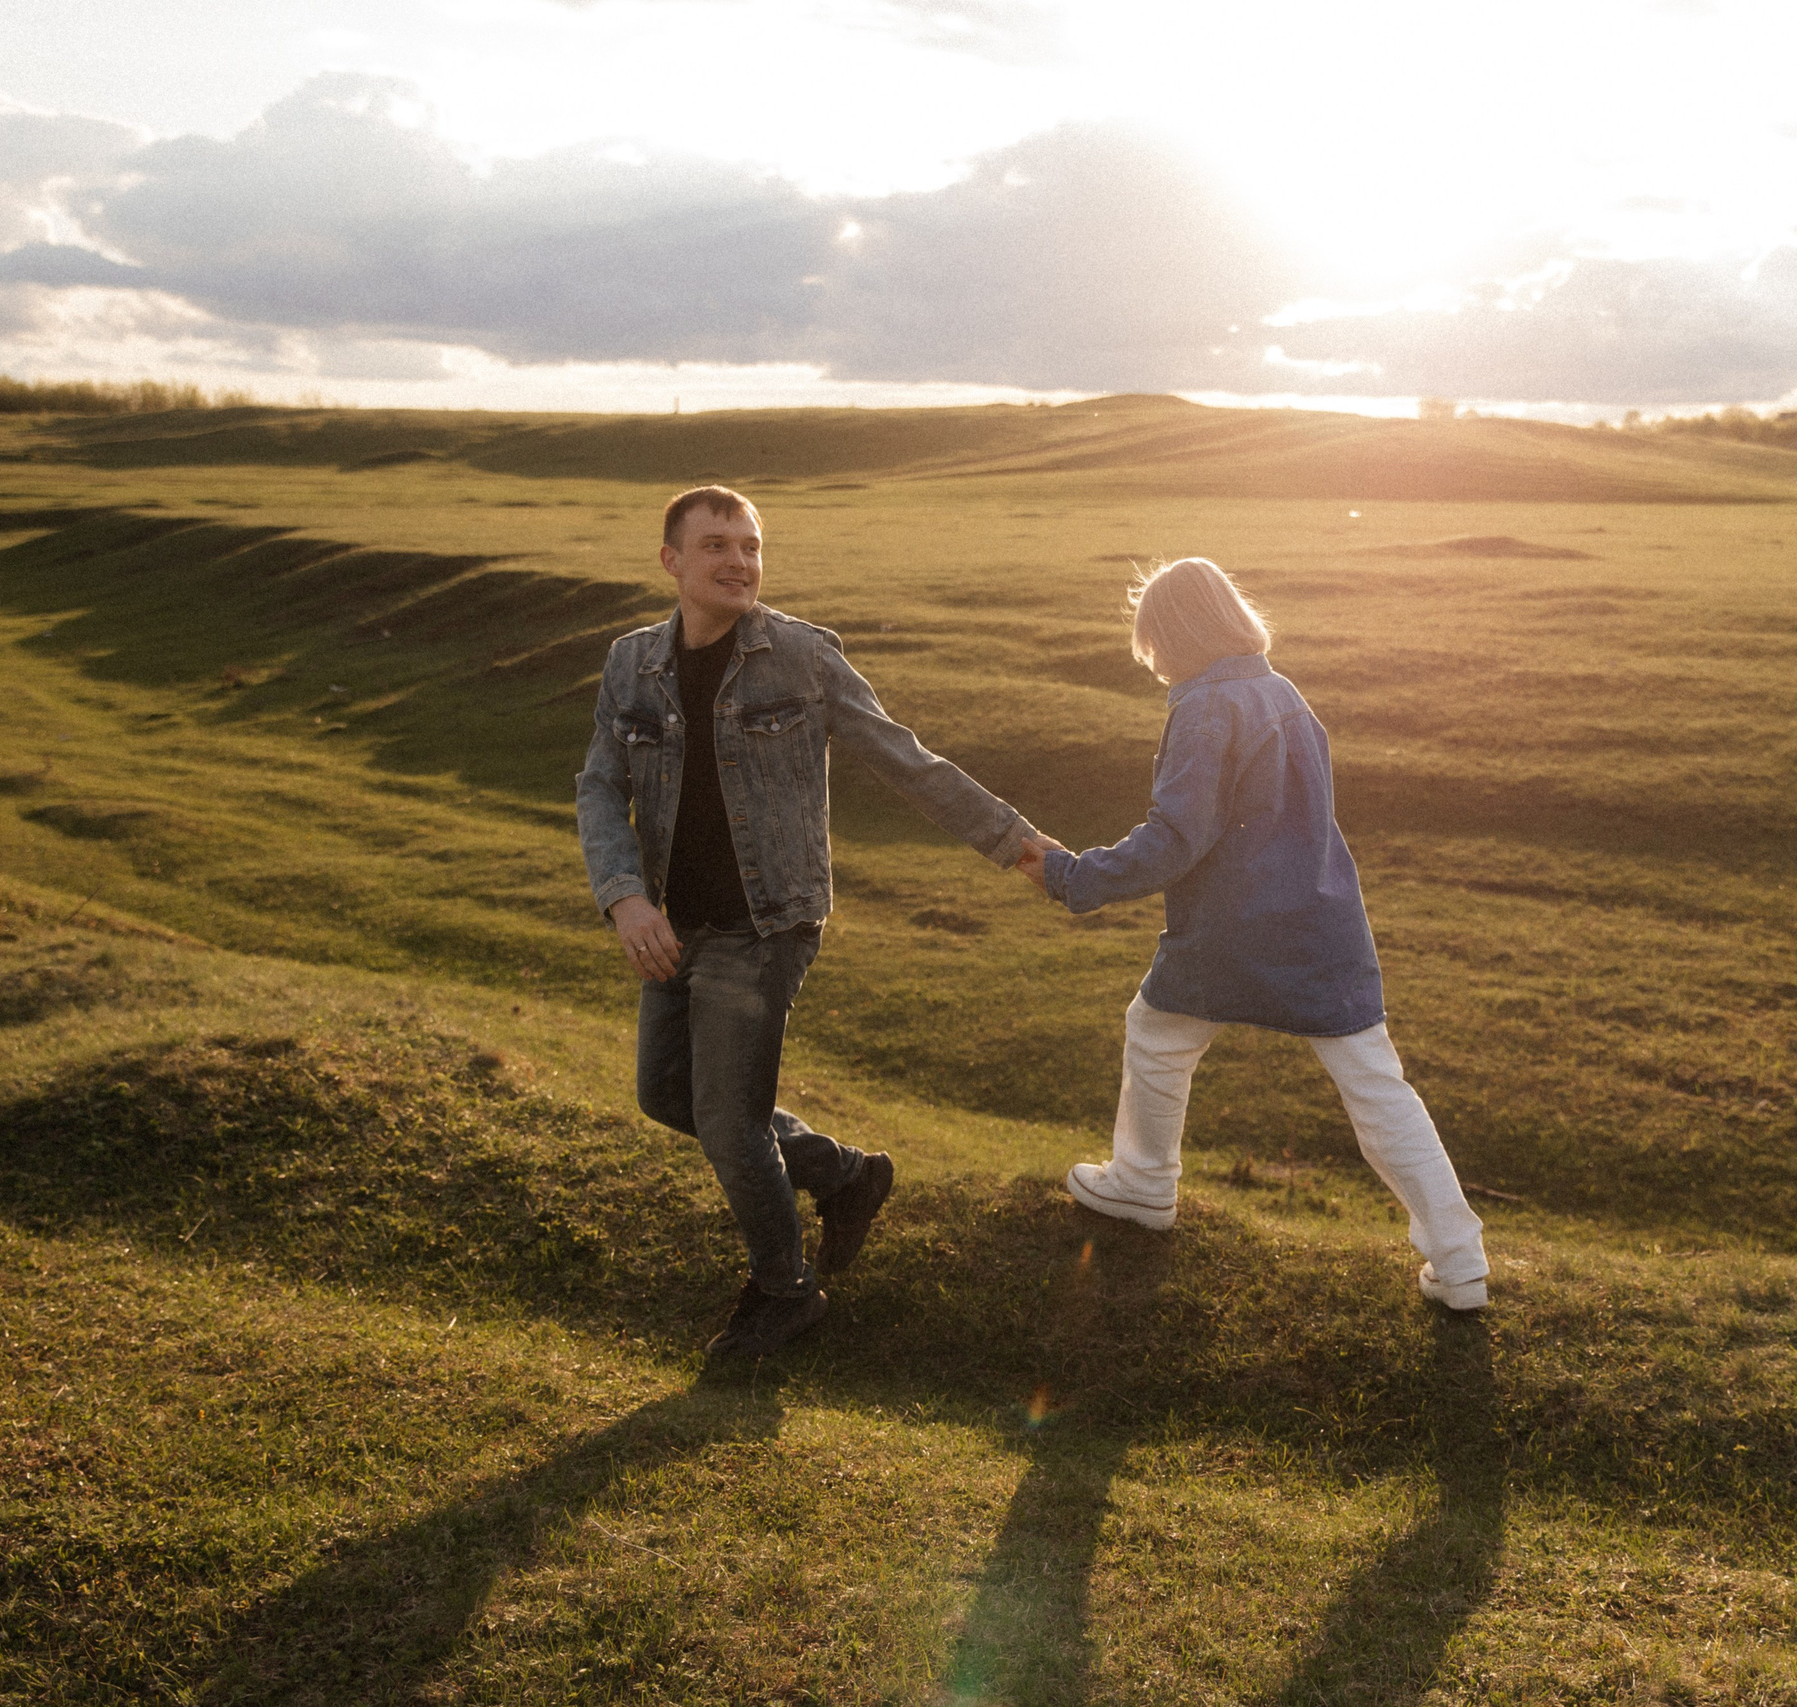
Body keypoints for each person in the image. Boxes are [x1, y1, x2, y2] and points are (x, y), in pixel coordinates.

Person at [577, 486, 1042, 1360]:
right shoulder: (629, 663)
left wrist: (1014, 843)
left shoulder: (801, 657)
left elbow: (906, 760)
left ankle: (785, 1291)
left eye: (751, 546)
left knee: (727, 1116)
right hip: (676, 921)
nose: (739, 561)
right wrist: (624, 893)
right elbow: (601, 784)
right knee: (665, 1094)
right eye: (716, 544)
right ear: (672, 561)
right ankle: (844, 1173)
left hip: (771, 920)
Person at [1017, 557, 1491, 1311]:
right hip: (1324, 925)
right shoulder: (1283, 693)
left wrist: (1074, 876)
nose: (1155, 663)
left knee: (1157, 1034)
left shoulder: (1206, 707)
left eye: (1155, 644)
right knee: (1376, 1088)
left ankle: (1142, 1182)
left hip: (1233, 932)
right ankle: (1461, 1262)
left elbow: (1177, 835)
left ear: (1179, 633)